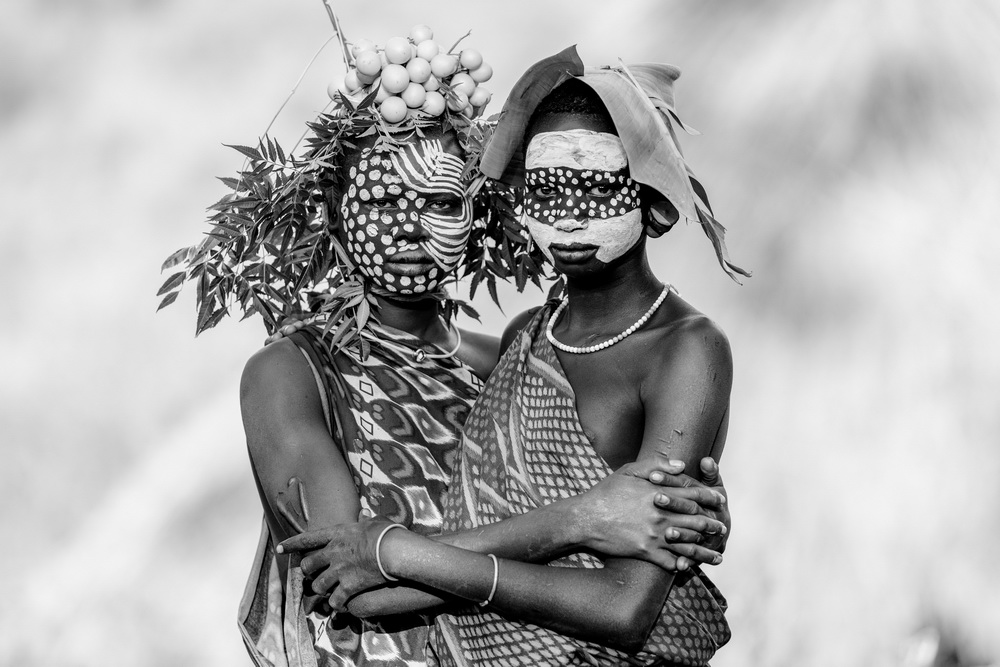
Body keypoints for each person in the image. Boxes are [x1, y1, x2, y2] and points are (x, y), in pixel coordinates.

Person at [161, 32, 733, 667]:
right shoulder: (293, 374)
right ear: (332, 208)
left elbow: (621, 573)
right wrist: (586, 517)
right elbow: (348, 582)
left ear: (480, 211)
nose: (410, 226)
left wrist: (672, 529)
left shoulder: (515, 353)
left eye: (438, 201)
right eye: (382, 200)